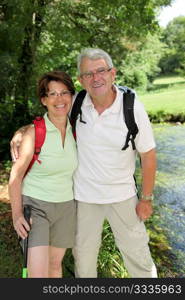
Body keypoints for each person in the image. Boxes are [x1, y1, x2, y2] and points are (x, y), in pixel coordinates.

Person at [10, 48, 157, 278]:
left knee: (139, 258)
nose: (95, 78)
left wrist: (146, 198)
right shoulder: (76, 102)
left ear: (112, 73)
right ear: (81, 80)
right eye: (88, 74)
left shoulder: (132, 105)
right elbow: (49, 119)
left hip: (123, 196)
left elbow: (148, 154)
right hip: (84, 198)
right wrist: (20, 133)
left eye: (100, 71)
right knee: (84, 262)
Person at [8, 70, 78, 278]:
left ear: (72, 96)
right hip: (35, 207)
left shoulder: (78, 129)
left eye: (64, 92)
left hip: (66, 207)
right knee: (37, 274)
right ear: (44, 100)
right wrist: (17, 214)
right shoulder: (33, 133)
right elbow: (16, 176)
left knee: (55, 267)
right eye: (52, 94)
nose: (60, 99)